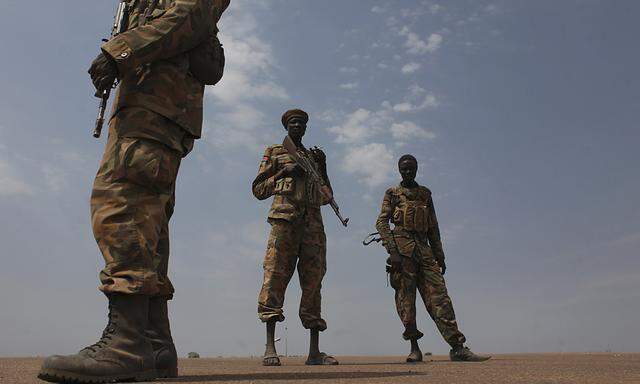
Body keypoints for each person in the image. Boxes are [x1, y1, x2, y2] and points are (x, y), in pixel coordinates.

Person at [38, 1, 230, 382]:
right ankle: (154, 343)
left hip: (157, 105)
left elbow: (190, 16)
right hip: (151, 105)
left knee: (121, 203)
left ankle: (126, 344)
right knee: (149, 224)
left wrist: (121, 50)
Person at [375, 154, 491, 363]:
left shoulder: (425, 194)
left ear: (417, 169)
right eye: (404, 168)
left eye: (411, 168)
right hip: (402, 252)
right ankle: (414, 348)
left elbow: (433, 228)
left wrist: (440, 256)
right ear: (399, 170)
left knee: (440, 299)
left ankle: (457, 347)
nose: (408, 171)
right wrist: (392, 252)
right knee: (406, 302)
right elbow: (382, 223)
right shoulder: (392, 193)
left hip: (424, 252)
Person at [252, 109, 339, 366]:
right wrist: (284, 173)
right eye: (293, 122)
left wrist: (322, 166)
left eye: (302, 122)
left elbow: (326, 197)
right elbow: (257, 189)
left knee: (314, 284)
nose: (298, 125)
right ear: (286, 126)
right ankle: (270, 348)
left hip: (312, 226)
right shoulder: (275, 151)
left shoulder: (312, 157)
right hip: (285, 222)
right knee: (275, 278)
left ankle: (314, 352)